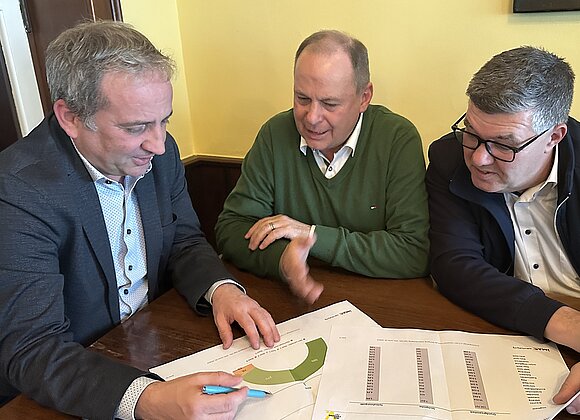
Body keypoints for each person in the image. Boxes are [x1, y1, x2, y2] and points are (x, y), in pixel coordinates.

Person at [0, 21, 281, 419]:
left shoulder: (159, 154)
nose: (159, 144)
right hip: (72, 384)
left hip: (154, 344)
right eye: (135, 128)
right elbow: (32, 348)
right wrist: (147, 399)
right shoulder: (17, 190)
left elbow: (184, 241)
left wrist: (222, 291)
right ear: (70, 118)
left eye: (164, 120)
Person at [215, 30, 429, 304]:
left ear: (364, 97)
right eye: (302, 99)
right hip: (291, 302)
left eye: (329, 103)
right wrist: (283, 260)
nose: (312, 118)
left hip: (381, 303)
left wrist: (312, 235)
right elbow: (232, 229)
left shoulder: (397, 138)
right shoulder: (274, 134)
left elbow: (412, 252)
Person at [426, 46, 580, 414]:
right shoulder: (449, 159)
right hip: (513, 334)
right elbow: (455, 265)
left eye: (503, 145)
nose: (479, 158)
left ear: (554, 135)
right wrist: (562, 322)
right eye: (471, 132)